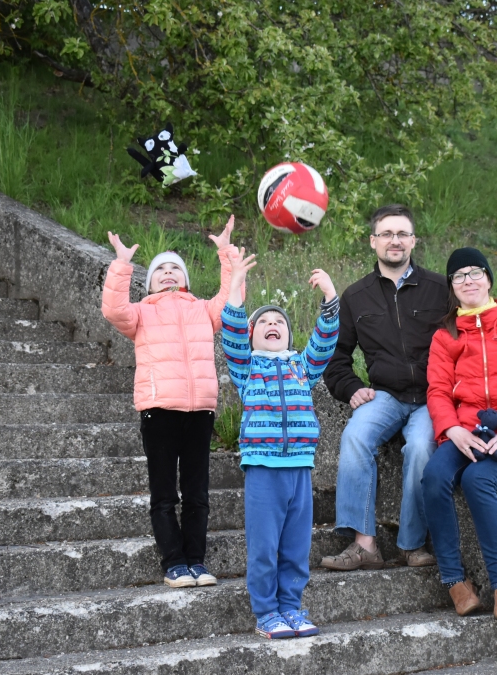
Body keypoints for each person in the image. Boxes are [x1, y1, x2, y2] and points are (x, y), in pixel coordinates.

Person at [101, 216, 241, 588]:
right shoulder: (141, 312)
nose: (167, 273)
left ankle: (196, 560)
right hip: (159, 409)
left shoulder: (203, 310)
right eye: (160, 269)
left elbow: (230, 298)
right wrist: (121, 265)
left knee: (197, 492)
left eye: (174, 269)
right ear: (148, 282)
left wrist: (226, 252)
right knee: (165, 492)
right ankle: (174, 562)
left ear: (186, 280)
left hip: (200, 411)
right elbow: (114, 309)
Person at [321, 205, 449, 571]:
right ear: (373, 241)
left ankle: (411, 545)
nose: (395, 240)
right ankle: (364, 545)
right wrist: (351, 388)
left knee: (422, 448)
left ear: (413, 241)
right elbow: (336, 356)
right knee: (356, 436)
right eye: (387, 234)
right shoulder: (356, 296)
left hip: (432, 396)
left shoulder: (440, 290)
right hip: (386, 396)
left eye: (403, 234)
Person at [422, 247, 497, 620]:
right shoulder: (445, 336)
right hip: (465, 431)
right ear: (451, 287)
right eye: (459, 276)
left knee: (478, 480)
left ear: (489, 279)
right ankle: (456, 583)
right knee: (434, 477)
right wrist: (452, 429)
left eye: (475, 272)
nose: (468, 280)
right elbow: (438, 391)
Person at [221, 251, 340, 639]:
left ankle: (291, 606)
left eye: (280, 322)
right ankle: (267, 612)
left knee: (295, 547)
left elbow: (324, 342)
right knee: (264, 547)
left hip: (300, 467)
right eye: (264, 322)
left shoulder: (301, 368)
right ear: (253, 334)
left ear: (289, 335)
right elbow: (232, 334)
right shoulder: (247, 367)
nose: (273, 325)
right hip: (263, 469)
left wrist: (330, 298)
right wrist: (237, 288)